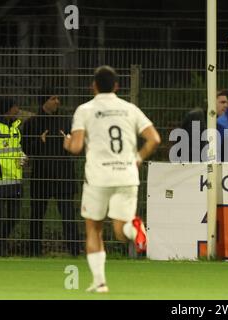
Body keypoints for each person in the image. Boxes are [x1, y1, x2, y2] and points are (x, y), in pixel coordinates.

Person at [63, 65, 161, 293]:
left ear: (93, 86)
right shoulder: (130, 109)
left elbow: (76, 147)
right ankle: (136, 230)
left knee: (94, 228)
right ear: (117, 86)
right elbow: (154, 139)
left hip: (98, 177)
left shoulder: (85, 109)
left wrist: (67, 142)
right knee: (121, 231)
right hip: (126, 174)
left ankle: (100, 283)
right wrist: (137, 157)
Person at [22, 93, 80, 256]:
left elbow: (76, 146)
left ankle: (75, 251)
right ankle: (34, 252)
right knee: (37, 215)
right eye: (53, 98)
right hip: (42, 176)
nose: (57, 102)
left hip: (63, 176)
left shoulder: (65, 121)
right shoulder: (32, 123)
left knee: (68, 215)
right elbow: (25, 149)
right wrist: (39, 141)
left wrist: (69, 142)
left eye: (57, 98)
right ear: (44, 101)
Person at [0, 98, 26, 256]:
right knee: (0, 218)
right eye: (15, 106)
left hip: (15, 180)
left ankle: (1, 243)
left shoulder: (16, 128)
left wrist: (22, 156)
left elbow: (17, 148)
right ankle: (0, 248)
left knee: (14, 216)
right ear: (8, 109)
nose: (18, 109)